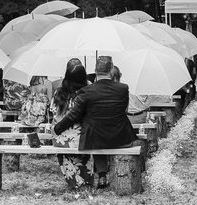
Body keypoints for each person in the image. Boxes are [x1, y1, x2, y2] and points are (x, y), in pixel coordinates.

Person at [53, 55, 138, 190]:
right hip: (121, 137)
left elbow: (73, 115)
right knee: (94, 135)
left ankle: (92, 175)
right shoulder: (123, 88)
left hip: (94, 136)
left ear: (95, 70)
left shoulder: (86, 91)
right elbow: (125, 110)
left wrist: (57, 128)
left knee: (93, 135)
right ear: (111, 70)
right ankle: (101, 174)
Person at [50, 64, 93, 188]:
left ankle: (73, 181)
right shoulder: (87, 92)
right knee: (81, 140)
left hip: (60, 138)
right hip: (83, 137)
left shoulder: (59, 92)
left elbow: (53, 112)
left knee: (67, 150)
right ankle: (85, 181)